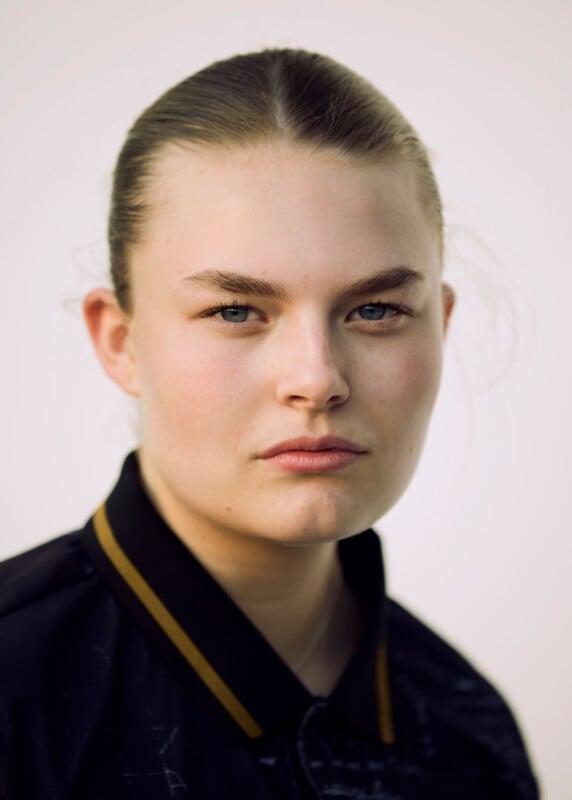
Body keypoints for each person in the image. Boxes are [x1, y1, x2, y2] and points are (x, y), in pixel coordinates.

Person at [0, 49, 539, 799]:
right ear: (120, 341)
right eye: (235, 311)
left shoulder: (468, 732)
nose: (316, 379)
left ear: (440, 327)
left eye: (375, 309)